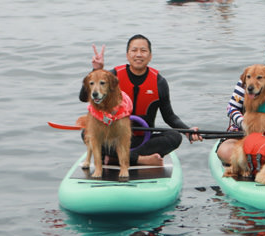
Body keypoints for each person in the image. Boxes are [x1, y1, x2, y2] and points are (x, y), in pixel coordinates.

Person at [80, 35, 201, 166]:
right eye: (134, 50)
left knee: (175, 136)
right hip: (114, 138)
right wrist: (96, 70)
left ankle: (120, 157)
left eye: (143, 51)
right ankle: (141, 160)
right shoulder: (112, 76)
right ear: (127, 55)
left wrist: (188, 131)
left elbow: (169, 117)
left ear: (150, 56)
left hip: (143, 140)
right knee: (86, 132)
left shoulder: (159, 82)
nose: (138, 54)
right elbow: (83, 97)